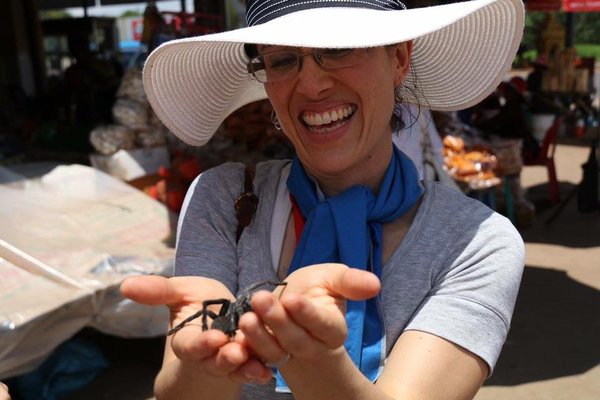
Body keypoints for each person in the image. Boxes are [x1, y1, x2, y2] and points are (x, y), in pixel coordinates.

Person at [121, 0, 526, 399]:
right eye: (281, 60)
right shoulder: (224, 200)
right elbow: (187, 386)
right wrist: (206, 364)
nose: (312, 86)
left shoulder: (475, 241)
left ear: (399, 58)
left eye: (338, 48)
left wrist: (312, 359)